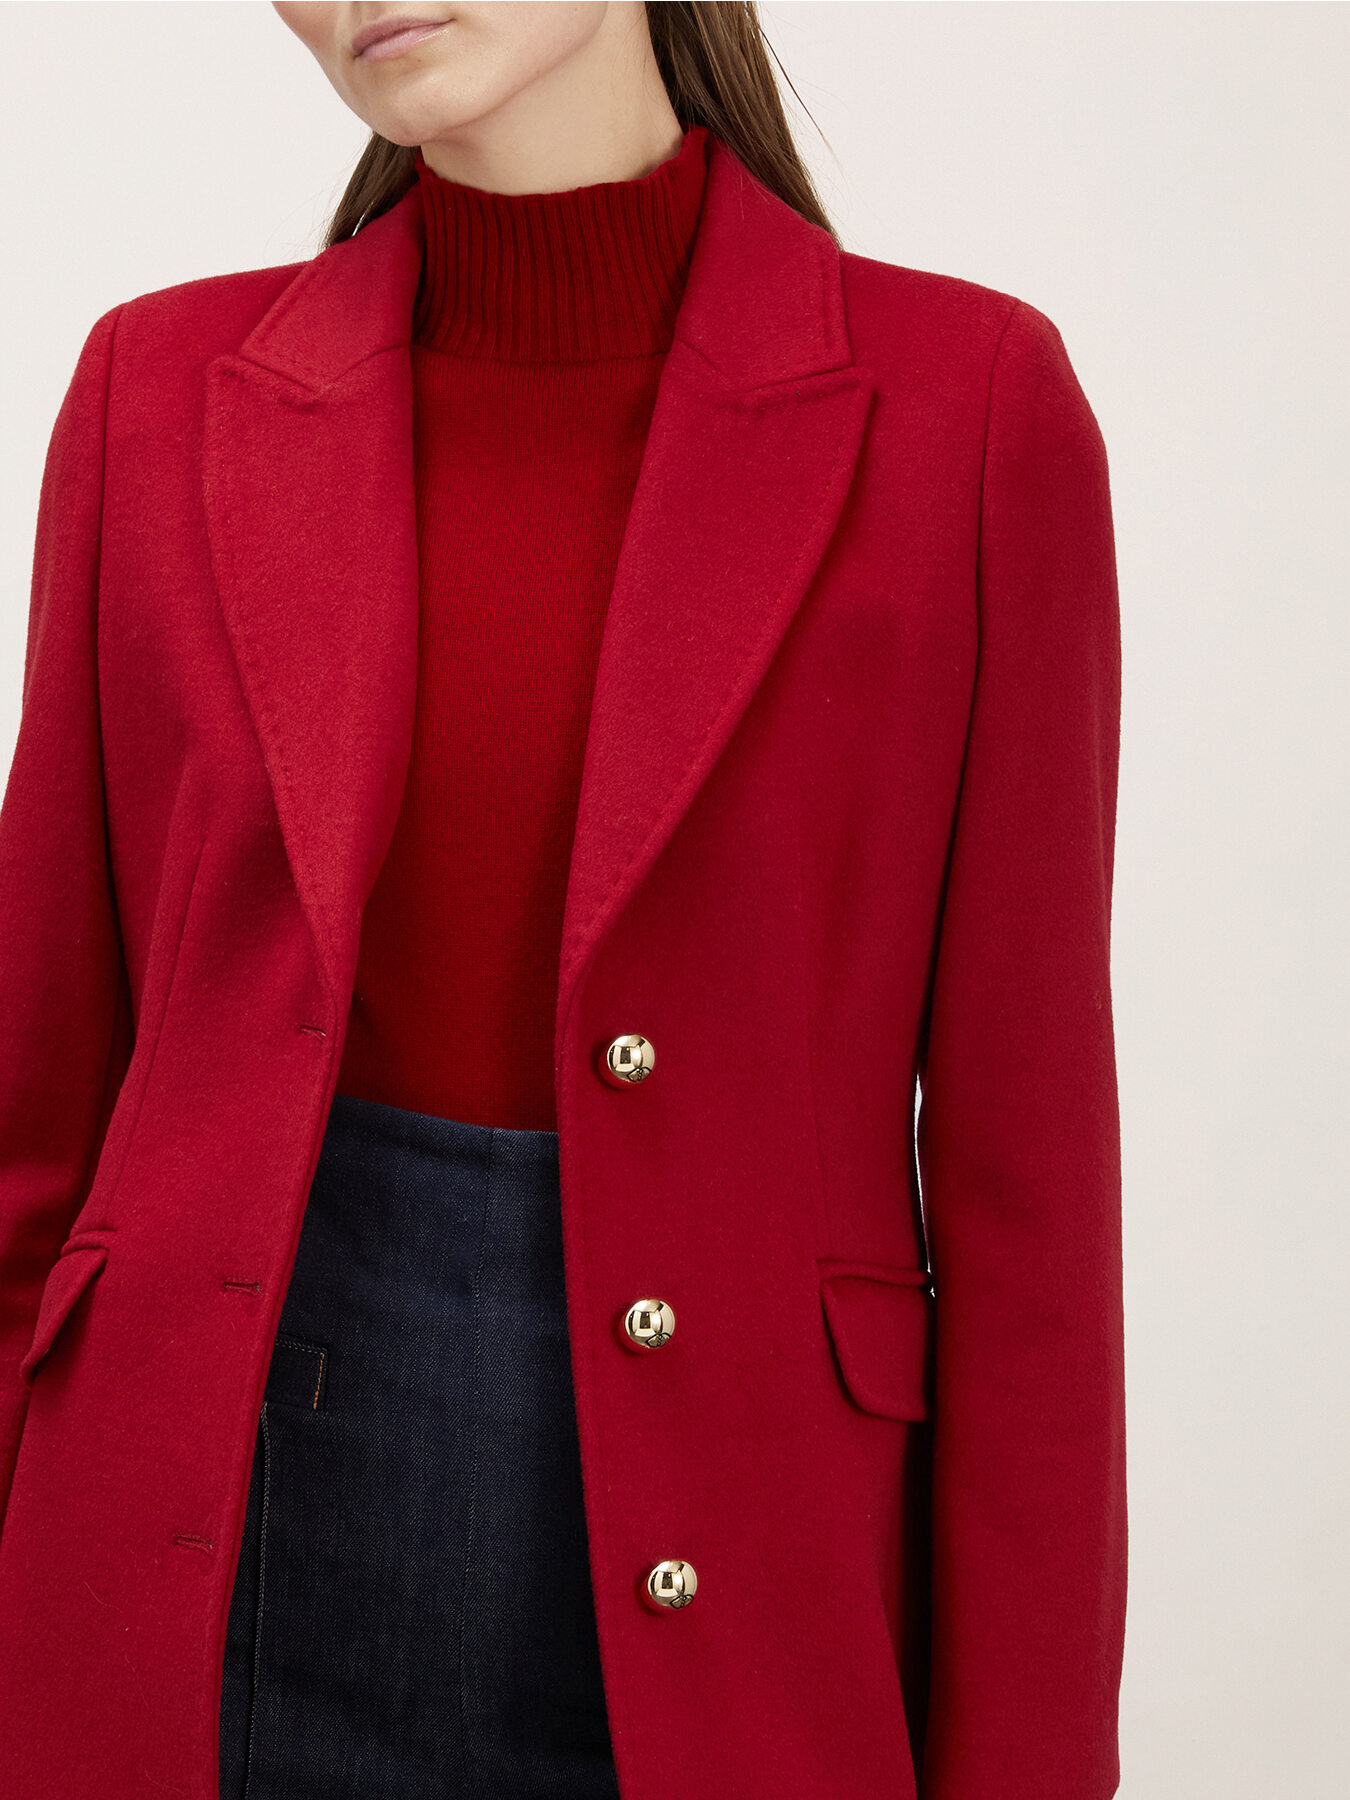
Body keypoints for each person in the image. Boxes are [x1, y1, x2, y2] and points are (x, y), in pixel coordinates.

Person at [0, 4, 1126, 1798]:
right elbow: (37, 1113)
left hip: (739, 1585)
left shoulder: (969, 411)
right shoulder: (153, 391)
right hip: (192, 1580)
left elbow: (1029, 1205)